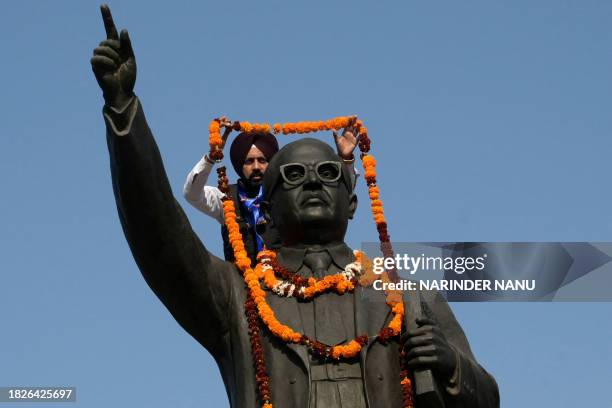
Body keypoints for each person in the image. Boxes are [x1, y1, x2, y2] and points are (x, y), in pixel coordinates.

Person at [91, 5, 499, 407]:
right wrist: (125, 113)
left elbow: (489, 399)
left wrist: (452, 369)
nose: (313, 182)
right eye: (293, 176)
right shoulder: (238, 297)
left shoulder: (406, 298)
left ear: (352, 202)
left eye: (327, 172)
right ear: (264, 210)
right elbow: (158, 236)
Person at [183, 118, 361, 264]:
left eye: (262, 160)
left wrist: (345, 159)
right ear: (239, 165)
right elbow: (192, 193)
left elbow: (335, 195)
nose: (256, 167)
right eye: (249, 161)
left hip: (286, 282)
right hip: (243, 289)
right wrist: (212, 157)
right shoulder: (226, 198)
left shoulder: (285, 191)